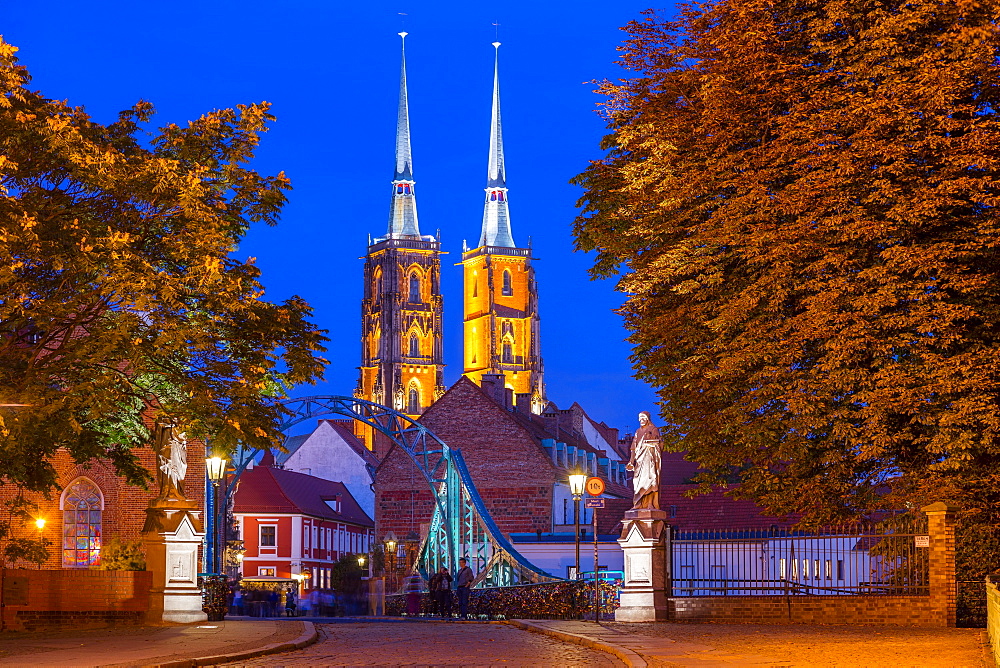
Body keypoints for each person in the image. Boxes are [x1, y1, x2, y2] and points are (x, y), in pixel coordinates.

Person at [625, 411, 662, 510]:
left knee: (650, 480)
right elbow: (633, 447)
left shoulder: (653, 429)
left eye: (643, 418)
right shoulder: (637, 431)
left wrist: (650, 443)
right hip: (640, 461)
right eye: (640, 418)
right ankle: (638, 504)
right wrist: (631, 461)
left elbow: (659, 444)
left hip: (649, 459)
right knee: (638, 483)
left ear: (648, 419)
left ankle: (650, 504)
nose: (641, 420)